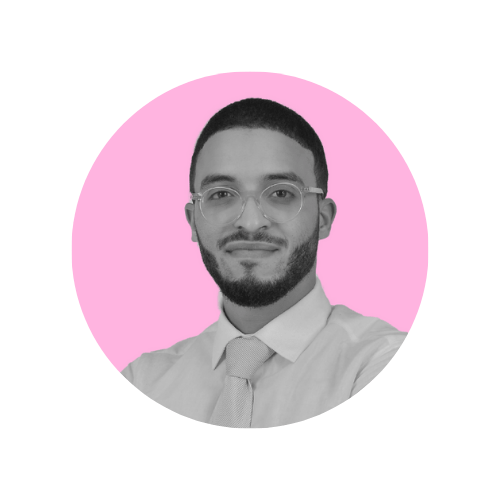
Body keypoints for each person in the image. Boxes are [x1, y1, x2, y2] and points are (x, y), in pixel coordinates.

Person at [121, 98, 407, 428]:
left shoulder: (381, 363)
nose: (251, 222)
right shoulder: (143, 382)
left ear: (323, 218)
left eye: (281, 193)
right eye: (221, 194)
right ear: (193, 222)